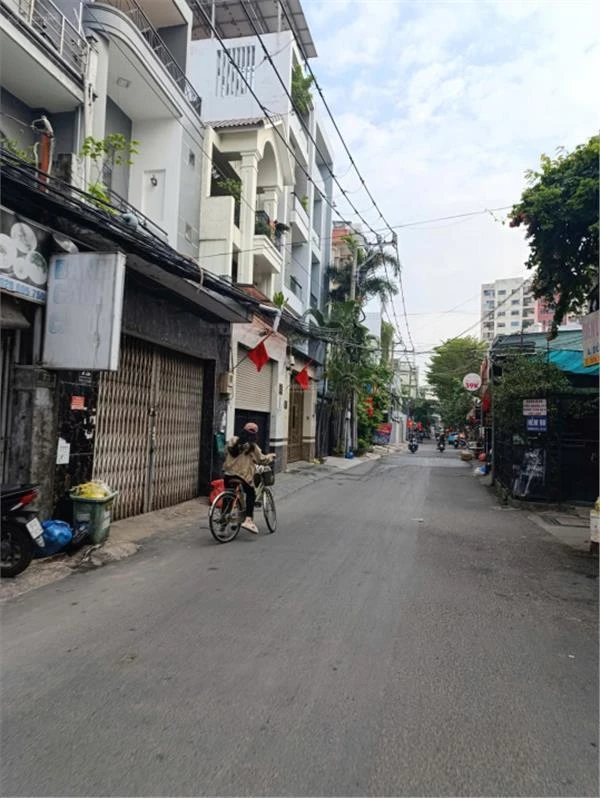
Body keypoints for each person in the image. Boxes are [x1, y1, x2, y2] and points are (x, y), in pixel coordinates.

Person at [223, 422, 274, 534]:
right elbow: (262, 460)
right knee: (251, 494)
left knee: (228, 497)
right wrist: (270, 457)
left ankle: (223, 521)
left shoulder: (232, 440)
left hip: (228, 474)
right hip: (242, 476)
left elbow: (225, 452)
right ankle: (248, 520)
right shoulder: (252, 447)